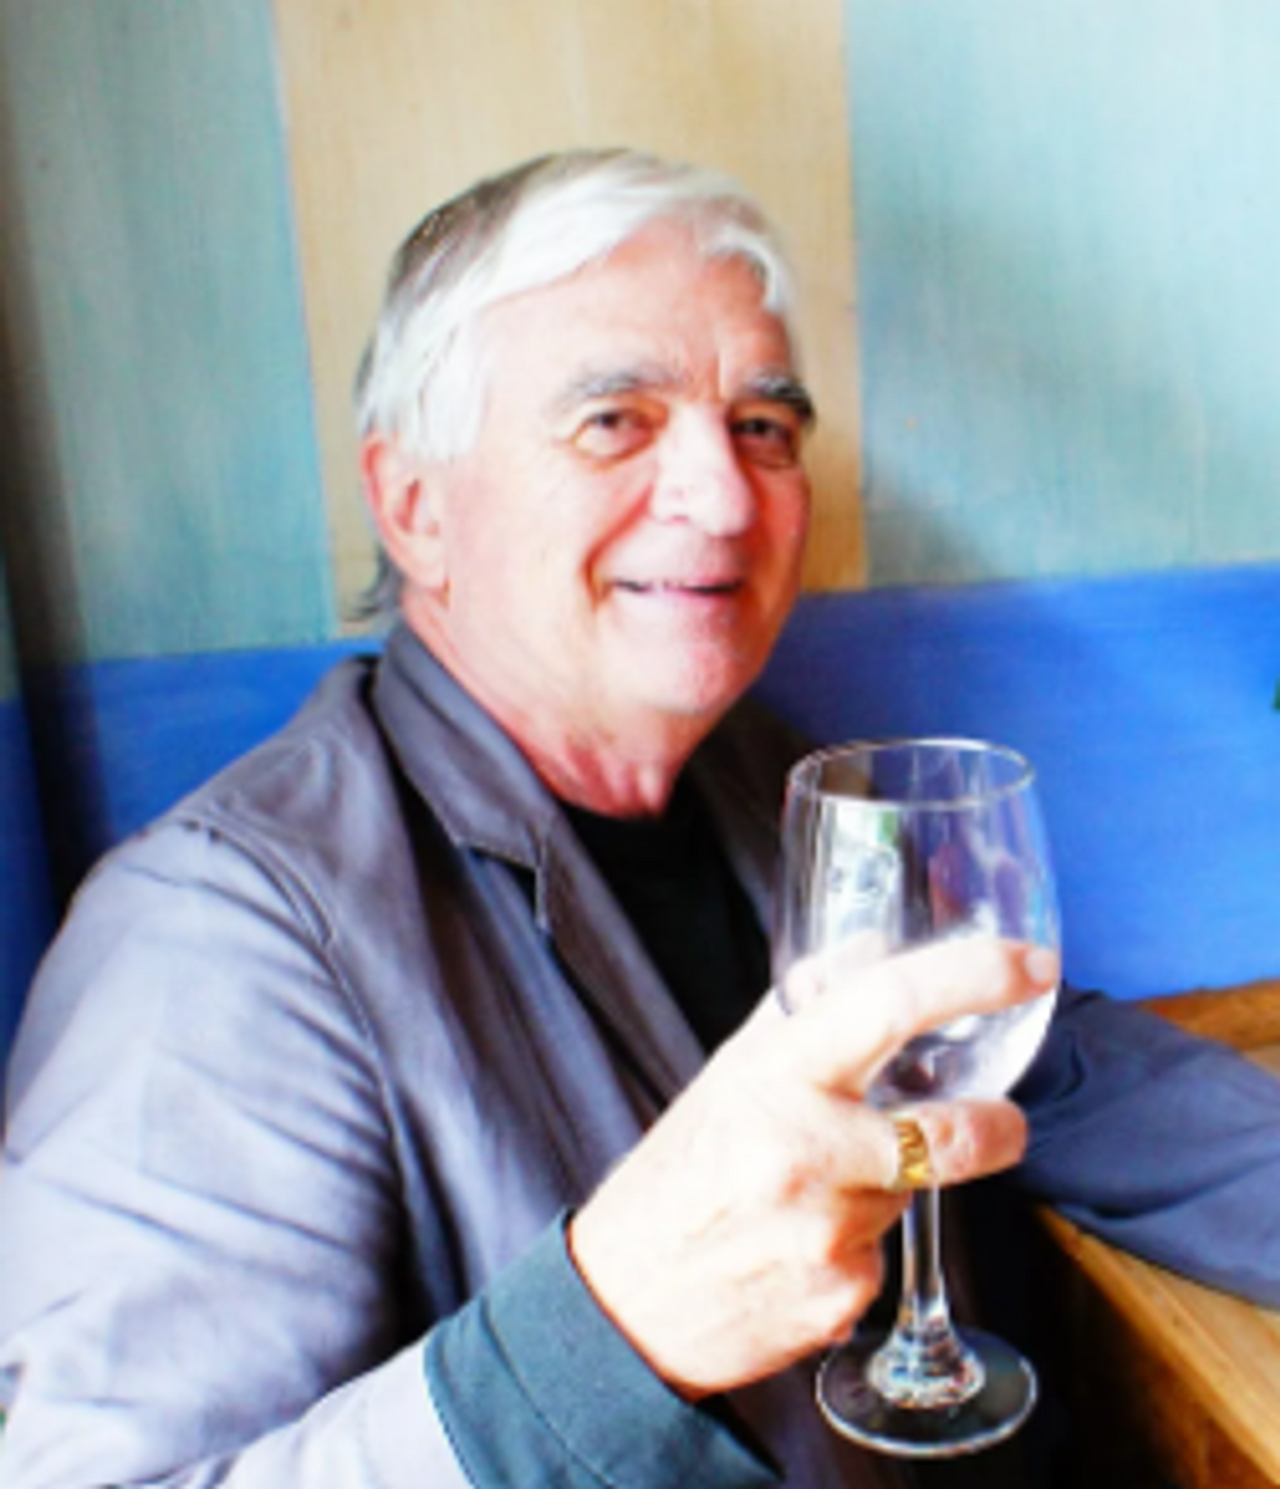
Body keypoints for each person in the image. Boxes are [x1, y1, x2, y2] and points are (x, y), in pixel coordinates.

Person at [2, 148, 1279, 1489]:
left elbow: (1037, 1069)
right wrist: (606, 1337)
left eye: (764, 427)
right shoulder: (215, 938)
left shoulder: (761, 781)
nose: (724, 499)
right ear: (415, 508)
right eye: (614, 420)